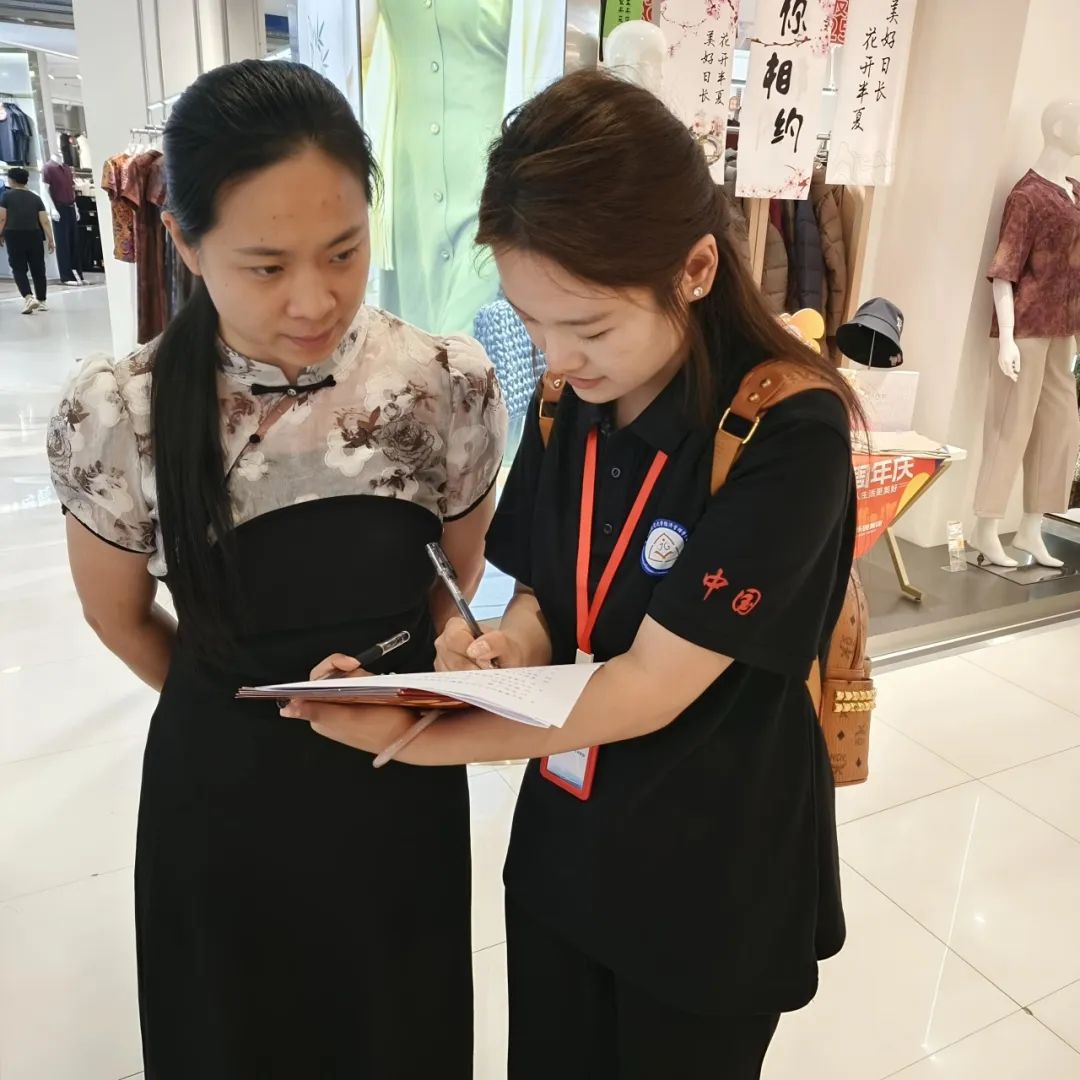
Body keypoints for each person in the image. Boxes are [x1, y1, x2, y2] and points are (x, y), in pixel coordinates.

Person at [289, 70, 860, 1080]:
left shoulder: (786, 432)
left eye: (589, 327)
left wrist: (420, 737)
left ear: (694, 268)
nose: (556, 358)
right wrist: (506, 646)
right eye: (531, 321)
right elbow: (548, 597)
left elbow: (647, 687)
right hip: (570, 844)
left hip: (711, 865)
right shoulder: (569, 404)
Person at [47, 60, 506, 1079]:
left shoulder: (444, 381)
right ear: (184, 242)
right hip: (223, 793)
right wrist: (245, 701)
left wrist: (422, 675)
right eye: (265, 266)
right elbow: (120, 617)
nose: (314, 298)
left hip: (397, 773)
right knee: (235, 1034)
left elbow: (453, 575)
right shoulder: (120, 410)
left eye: (344, 250)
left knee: (400, 1027)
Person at [0, 166, 55, 314]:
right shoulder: (35, 198)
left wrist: (0, 234)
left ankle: (28, 297)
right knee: (38, 268)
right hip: (34, 235)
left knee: (18, 268)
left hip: (14, 235)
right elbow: (44, 221)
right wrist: (50, 239)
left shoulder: (6, 196)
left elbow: (2, 218)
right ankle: (42, 301)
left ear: (11, 180)